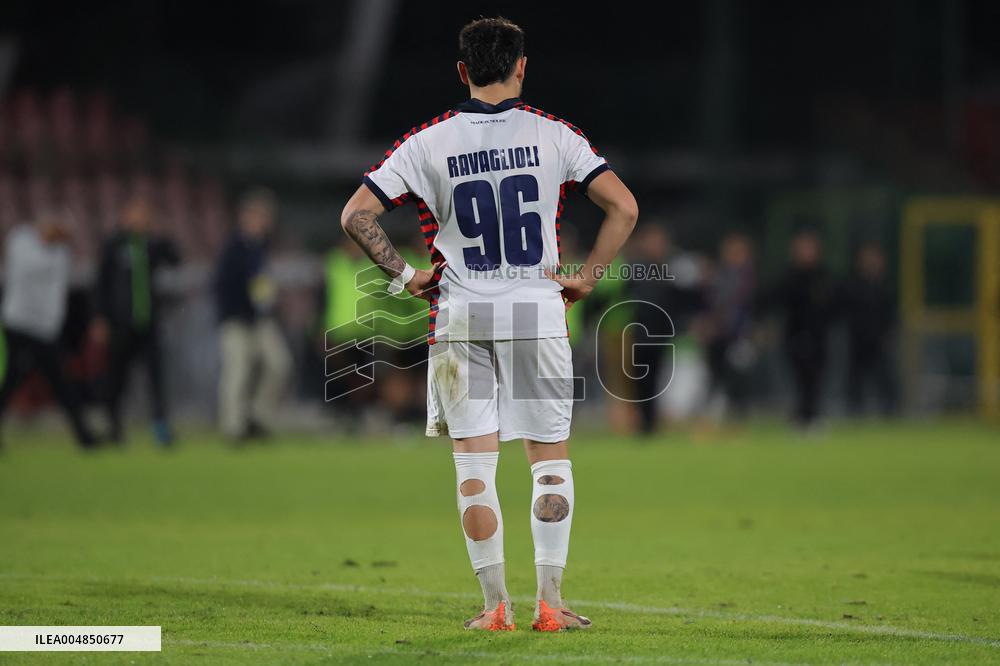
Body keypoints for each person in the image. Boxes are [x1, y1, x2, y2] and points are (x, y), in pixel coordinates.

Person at [339, 17, 637, 631]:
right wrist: (589, 274)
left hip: (460, 315)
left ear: (462, 70)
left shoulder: (427, 141)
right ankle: (550, 604)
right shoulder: (557, 135)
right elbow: (624, 206)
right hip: (536, 310)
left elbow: (356, 215)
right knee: (549, 460)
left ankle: (494, 606)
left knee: (474, 464)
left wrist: (404, 275)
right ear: (521, 67)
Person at [0, 210, 98, 448]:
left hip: (45, 328)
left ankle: (84, 436)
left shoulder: (60, 251)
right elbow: (28, 268)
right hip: (20, 324)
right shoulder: (21, 241)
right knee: (13, 379)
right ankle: (84, 435)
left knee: (61, 381)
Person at [93, 195, 180, 445]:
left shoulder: (151, 244)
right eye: (136, 214)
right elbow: (101, 283)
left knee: (156, 377)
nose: (140, 220)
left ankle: (160, 427)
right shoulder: (114, 244)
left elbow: (176, 259)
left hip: (148, 321)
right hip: (121, 321)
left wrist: (163, 234)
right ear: (125, 216)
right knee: (118, 376)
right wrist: (99, 318)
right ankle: (113, 425)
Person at [214, 188, 292, 442]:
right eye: (257, 215)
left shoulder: (260, 247)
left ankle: (259, 417)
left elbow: (262, 288)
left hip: (259, 320)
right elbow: (225, 287)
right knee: (237, 372)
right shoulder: (233, 247)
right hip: (236, 319)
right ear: (244, 216)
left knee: (279, 364)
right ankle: (233, 428)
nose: (262, 221)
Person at [770, 230, 837, 429]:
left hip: (819, 336)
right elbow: (776, 301)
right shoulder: (788, 276)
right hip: (795, 335)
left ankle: (811, 415)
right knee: (799, 377)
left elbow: (834, 305)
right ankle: (801, 415)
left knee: (816, 377)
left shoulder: (824, 276)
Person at [704, 233, 756, 419]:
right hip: (719, 335)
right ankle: (717, 416)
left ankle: (737, 416)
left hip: (739, 335)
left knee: (738, 378)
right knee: (717, 376)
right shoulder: (718, 275)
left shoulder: (748, 277)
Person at [842, 243, 896, 415]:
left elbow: (890, 313)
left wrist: (889, 333)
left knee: (885, 375)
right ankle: (855, 409)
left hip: (879, 338)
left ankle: (890, 409)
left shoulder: (884, 286)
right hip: (857, 338)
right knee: (855, 376)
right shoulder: (853, 285)